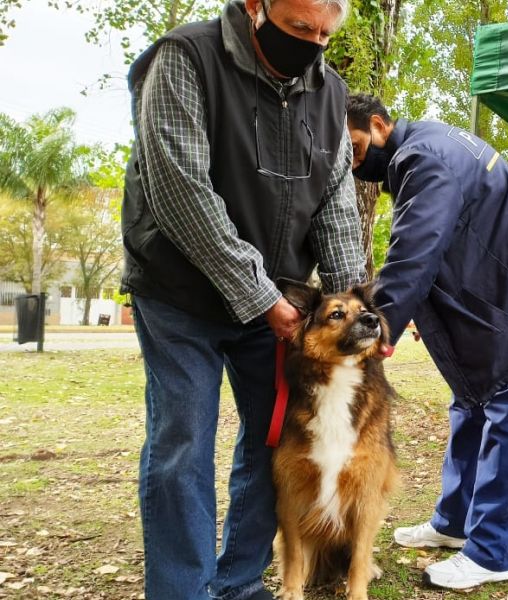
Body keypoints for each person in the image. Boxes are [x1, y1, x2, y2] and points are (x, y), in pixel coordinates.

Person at [119, 0, 364, 598]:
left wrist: (354, 302)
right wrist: (256, 293)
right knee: (183, 442)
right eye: (298, 27)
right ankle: (183, 590)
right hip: (181, 293)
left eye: (325, 34)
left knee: (274, 442)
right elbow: (178, 187)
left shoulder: (329, 93)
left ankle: (239, 584)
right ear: (256, 6)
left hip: (279, 307)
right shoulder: (184, 58)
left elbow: (334, 203)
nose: (312, 44)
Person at [346, 94, 508, 590]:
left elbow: (414, 251)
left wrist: (377, 327)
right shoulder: (427, 145)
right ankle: (455, 524)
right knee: (471, 407)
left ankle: (492, 552)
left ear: (378, 125)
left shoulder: (422, 157)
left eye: (356, 149)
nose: (357, 164)